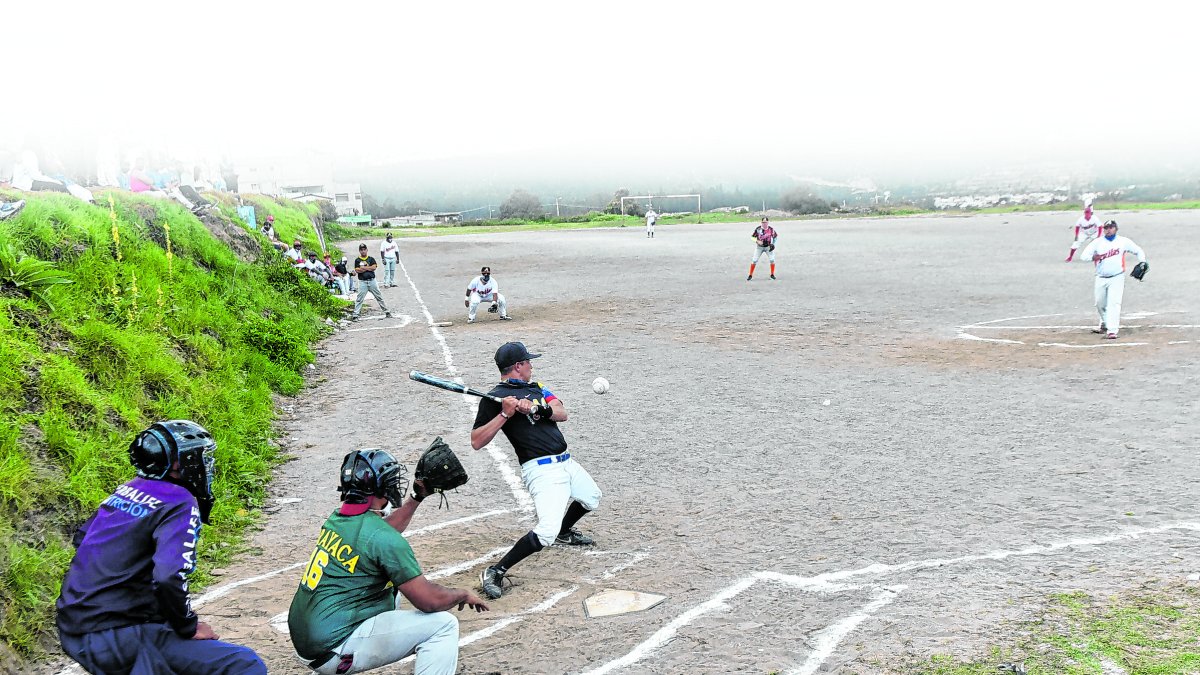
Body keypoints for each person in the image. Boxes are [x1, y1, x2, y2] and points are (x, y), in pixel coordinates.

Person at [56, 420, 267, 675]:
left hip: (75, 630)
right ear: (180, 463)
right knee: (244, 665)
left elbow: (82, 538)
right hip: (116, 635)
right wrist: (188, 626)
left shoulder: (127, 490)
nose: (205, 464)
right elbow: (169, 576)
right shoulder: (179, 501)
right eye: (200, 456)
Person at [287, 448, 488, 675]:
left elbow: (380, 533)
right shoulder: (384, 540)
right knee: (444, 626)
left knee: (392, 594)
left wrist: (417, 497)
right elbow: (428, 601)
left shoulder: (338, 519)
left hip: (308, 640)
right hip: (332, 651)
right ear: (381, 488)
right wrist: (461, 594)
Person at [472, 342, 602, 600]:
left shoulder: (537, 388)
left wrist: (538, 408)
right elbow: (477, 441)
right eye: (528, 362)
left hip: (566, 462)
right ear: (518, 366)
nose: (532, 365)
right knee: (545, 532)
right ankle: (496, 570)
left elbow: (562, 413)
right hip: (541, 471)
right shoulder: (494, 398)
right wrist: (505, 414)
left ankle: (565, 533)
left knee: (591, 497)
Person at [1077, 220, 1147, 339]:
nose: (1108, 229)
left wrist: (1143, 261)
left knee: (1114, 303)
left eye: (1111, 227)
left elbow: (1138, 250)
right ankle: (1105, 323)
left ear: (1116, 229)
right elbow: (1083, 256)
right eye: (1106, 227)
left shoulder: (1123, 241)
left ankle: (1112, 330)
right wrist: (1093, 257)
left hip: (1117, 277)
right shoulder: (1097, 242)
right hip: (1100, 277)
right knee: (1100, 304)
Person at [352, 243, 392, 320]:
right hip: (363, 282)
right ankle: (355, 314)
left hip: (372, 281)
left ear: (367, 250)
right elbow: (357, 270)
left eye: (364, 249)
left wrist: (364, 268)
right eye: (361, 250)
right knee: (359, 298)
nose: (363, 251)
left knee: (379, 296)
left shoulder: (371, 259)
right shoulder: (357, 260)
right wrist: (367, 268)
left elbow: (374, 267)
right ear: (359, 251)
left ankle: (387, 311)